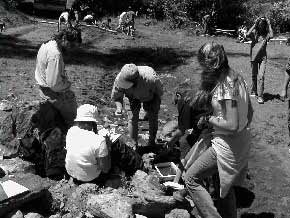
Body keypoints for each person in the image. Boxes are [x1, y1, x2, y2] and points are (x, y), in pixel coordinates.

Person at [182, 42, 253, 218]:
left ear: (210, 63)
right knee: (223, 184)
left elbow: (232, 124)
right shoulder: (237, 78)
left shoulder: (225, 86)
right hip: (240, 140)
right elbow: (249, 113)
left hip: (226, 146)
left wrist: (209, 119)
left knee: (190, 178)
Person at [65, 104, 144, 184]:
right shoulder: (99, 141)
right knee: (117, 145)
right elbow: (105, 169)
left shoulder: (71, 131)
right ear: (93, 122)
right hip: (91, 178)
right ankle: (139, 166)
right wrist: (108, 147)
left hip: (73, 174)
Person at [111, 64, 163, 148]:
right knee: (132, 119)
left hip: (149, 95)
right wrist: (119, 108)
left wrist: (151, 108)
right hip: (131, 97)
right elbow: (117, 97)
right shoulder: (119, 79)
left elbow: (159, 93)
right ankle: (134, 145)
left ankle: (151, 142)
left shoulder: (151, 79)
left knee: (153, 117)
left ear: (136, 80)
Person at [34, 31, 78, 127]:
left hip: (43, 90)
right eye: (71, 44)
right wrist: (67, 85)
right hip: (53, 94)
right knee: (74, 120)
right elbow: (54, 85)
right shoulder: (55, 54)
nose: (72, 48)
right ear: (64, 39)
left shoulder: (47, 43)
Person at [246, 16, 273, 104]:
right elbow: (247, 34)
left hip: (263, 59)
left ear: (264, 25)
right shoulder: (254, 33)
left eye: (263, 24)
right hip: (254, 57)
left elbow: (272, 35)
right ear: (258, 25)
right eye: (260, 24)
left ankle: (260, 96)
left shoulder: (266, 35)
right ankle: (254, 91)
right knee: (254, 75)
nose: (261, 26)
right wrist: (254, 24)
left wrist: (269, 24)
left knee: (261, 76)